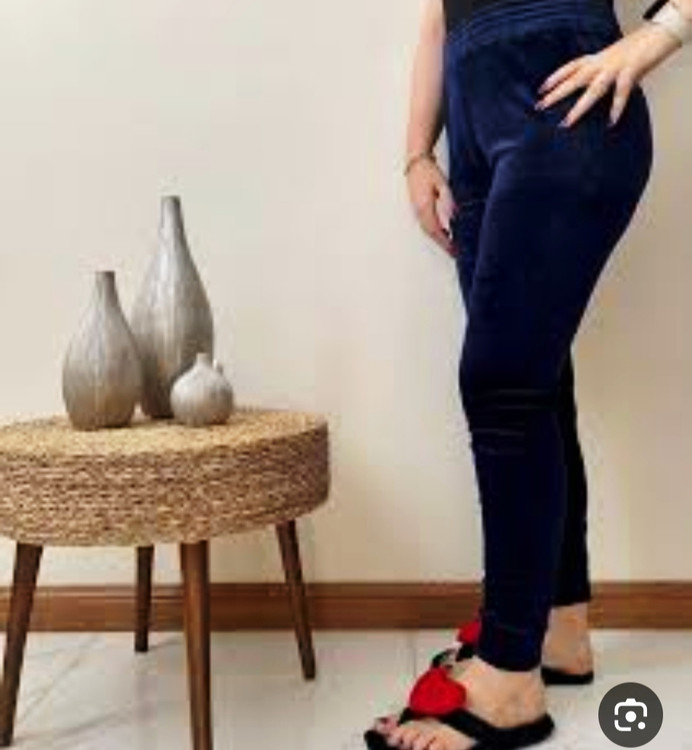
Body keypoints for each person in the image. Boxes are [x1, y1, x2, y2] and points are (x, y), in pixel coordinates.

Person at [364, 0, 690, 748]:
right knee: (534, 385)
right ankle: (555, 629)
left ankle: (509, 679)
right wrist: (418, 153)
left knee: (502, 388)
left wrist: (658, 37)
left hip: (563, 104)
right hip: (474, 124)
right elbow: (438, 13)